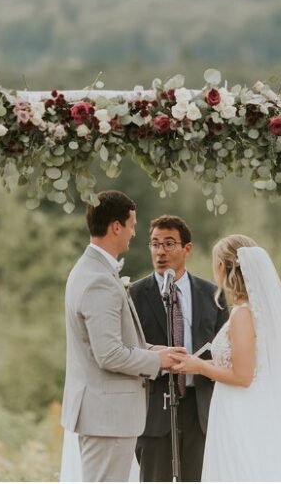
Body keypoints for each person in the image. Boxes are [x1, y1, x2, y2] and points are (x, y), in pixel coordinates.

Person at [170, 234, 281, 481]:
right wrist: (196, 364)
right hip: (243, 404)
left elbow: (243, 375)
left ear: (223, 267)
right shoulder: (254, 312)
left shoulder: (242, 314)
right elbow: (243, 364)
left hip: (240, 408)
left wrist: (199, 367)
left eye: (215, 262)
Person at [61, 190, 186, 482]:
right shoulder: (98, 280)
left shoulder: (92, 270)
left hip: (106, 414)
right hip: (107, 416)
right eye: (131, 225)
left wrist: (157, 351)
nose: (133, 233)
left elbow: (113, 343)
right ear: (116, 226)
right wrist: (158, 363)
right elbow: (109, 354)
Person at [129, 216, 229, 482]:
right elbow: (127, 349)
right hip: (152, 412)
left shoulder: (213, 295)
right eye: (154, 244)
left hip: (200, 411)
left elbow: (226, 349)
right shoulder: (133, 295)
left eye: (169, 243)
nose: (160, 251)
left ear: (187, 248)